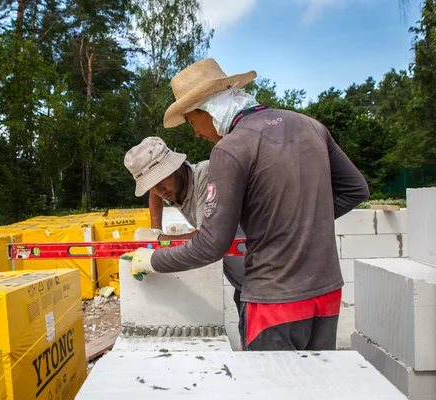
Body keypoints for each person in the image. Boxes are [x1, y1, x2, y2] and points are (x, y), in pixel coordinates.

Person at [123, 58, 370, 351]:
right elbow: (356, 189)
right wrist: (301, 222)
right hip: (326, 291)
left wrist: (153, 260)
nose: (197, 133)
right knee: (313, 386)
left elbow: (211, 245)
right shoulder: (309, 125)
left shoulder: (230, 149)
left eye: (192, 122)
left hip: (274, 298)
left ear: (207, 108)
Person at [123, 136, 246, 312]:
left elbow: (206, 238)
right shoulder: (175, 188)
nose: (159, 191)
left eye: (160, 181)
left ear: (176, 166)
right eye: (152, 186)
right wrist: (155, 228)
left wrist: (158, 239)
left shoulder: (208, 175)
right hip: (243, 285)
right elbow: (155, 194)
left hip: (268, 284)